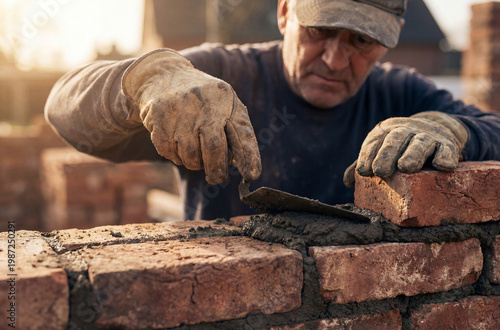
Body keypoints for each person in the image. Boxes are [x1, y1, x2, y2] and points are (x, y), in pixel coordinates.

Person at [45, 0, 500, 220]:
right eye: (320, 30)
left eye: (361, 42)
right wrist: (146, 80)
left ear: (388, 41)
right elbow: (62, 109)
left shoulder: (400, 95)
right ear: (285, 12)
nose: (335, 59)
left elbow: (492, 128)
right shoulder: (221, 75)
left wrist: (453, 128)